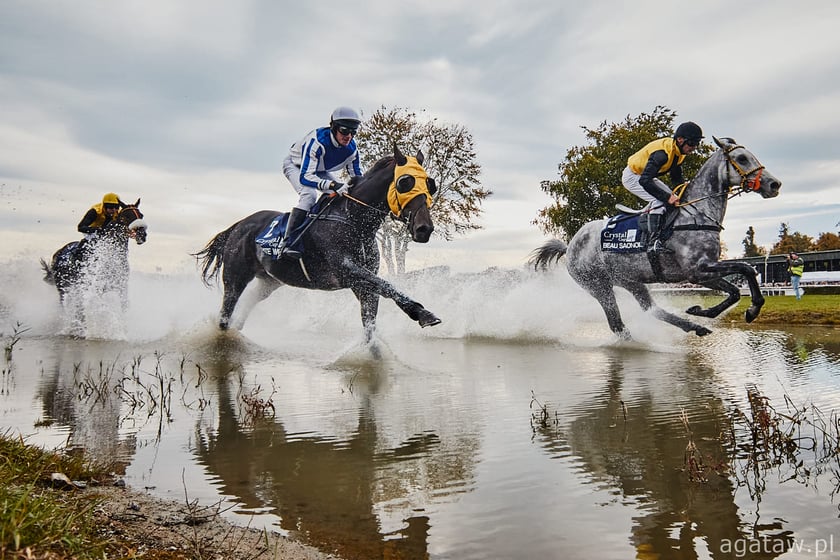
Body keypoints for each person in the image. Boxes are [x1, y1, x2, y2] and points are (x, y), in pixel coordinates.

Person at [274, 106, 364, 259]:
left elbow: (357, 178)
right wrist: (333, 185)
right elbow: (306, 177)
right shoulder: (317, 142)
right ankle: (289, 242)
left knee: (345, 193)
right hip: (295, 166)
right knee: (309, 195)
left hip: (319, 169)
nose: (348, 136)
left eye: (353, 132)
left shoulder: (352, 149)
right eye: (344, 130)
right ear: (334, 127)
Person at [622, 121, 703, 253]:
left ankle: (666, 235)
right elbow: (645, 181)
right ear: (680, 140)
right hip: (632, 177)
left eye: (696, 144)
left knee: (675, 199)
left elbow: (676, 178)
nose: (694, 148)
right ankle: (652, 243)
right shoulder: (662, 154)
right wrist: (666, 197)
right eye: (692, 144)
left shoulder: (678, 153)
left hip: (645, 177)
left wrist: (683, 189)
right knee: (659, 200)